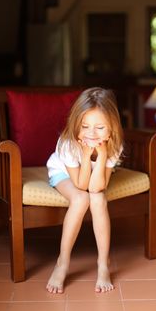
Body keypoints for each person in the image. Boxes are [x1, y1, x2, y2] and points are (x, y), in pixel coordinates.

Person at [46, 87, 123, 294]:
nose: (91, 133)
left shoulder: (114, 146)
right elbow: (81, 185)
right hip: (64, 172)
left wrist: (103, 153)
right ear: (76, 124)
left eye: (100, 127)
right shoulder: (68, 143)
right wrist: (88, 154)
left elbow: (98, 187)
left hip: (93, 176)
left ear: (111, 129)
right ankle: (62, 262)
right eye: (85, 126)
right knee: (81, 199)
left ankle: (103, 264)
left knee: (98, 199)